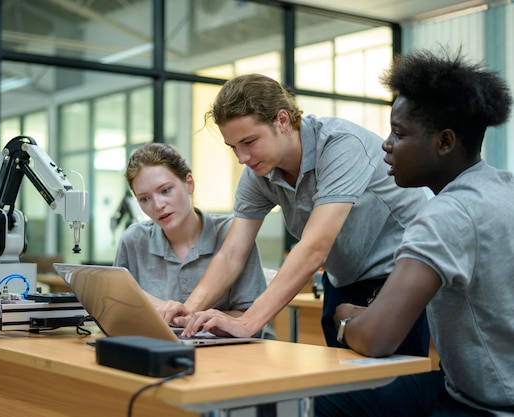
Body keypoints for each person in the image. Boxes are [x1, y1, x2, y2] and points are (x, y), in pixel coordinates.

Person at [165, 72, 430, 358]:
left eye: (249, 142)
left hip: (399, 275)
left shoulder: (341, 145)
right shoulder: (259, 173)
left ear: (282, 120)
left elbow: (314, 247)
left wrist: (248, 322)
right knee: (343, 383)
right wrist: (185, 317)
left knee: (395, 386)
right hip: (342, 281)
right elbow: (231, 254)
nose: (241, 158)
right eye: (234, 148)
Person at [315, 49, 514, 416]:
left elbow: (376, 340)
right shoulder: (504, 187)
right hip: (469, 386)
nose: (386, 145)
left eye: (399, 133)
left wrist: (344, 321)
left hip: (486, 405)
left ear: (444, 142)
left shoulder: (445, 214)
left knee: (333, 399)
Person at [113, 142, 270, 334]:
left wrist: (204, 322)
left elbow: (251, 319)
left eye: (165, 190)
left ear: (189, 183)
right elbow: (118, 311)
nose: (158, 205)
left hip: (228, 354)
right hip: (156, 351)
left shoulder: (233, 234)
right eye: (144, 199)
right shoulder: (133, 240)